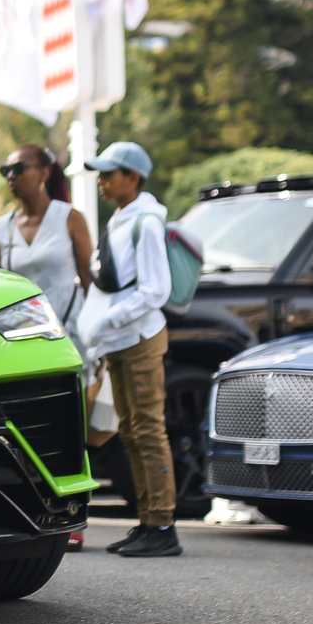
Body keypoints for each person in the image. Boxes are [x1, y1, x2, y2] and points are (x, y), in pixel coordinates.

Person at [77, 141, 177, 559]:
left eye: (109, 174)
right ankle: (148, 519)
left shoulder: (145, 223)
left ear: (132, 178)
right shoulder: (121, 218)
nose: (101, 181)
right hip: (120, 341)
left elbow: (157, 289)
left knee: (148, 428)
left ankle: (164, 525)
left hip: (138, 338)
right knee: (131, 432)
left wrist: (111, 319)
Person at [0, 142, 92, 329]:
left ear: (44, 173)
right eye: (5, 170)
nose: (11, 176)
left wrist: (97, 331)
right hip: (21, 336)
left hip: (70, 332)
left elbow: (88, 279)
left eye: (18, 168)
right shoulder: (0, 228)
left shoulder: (70, 218)